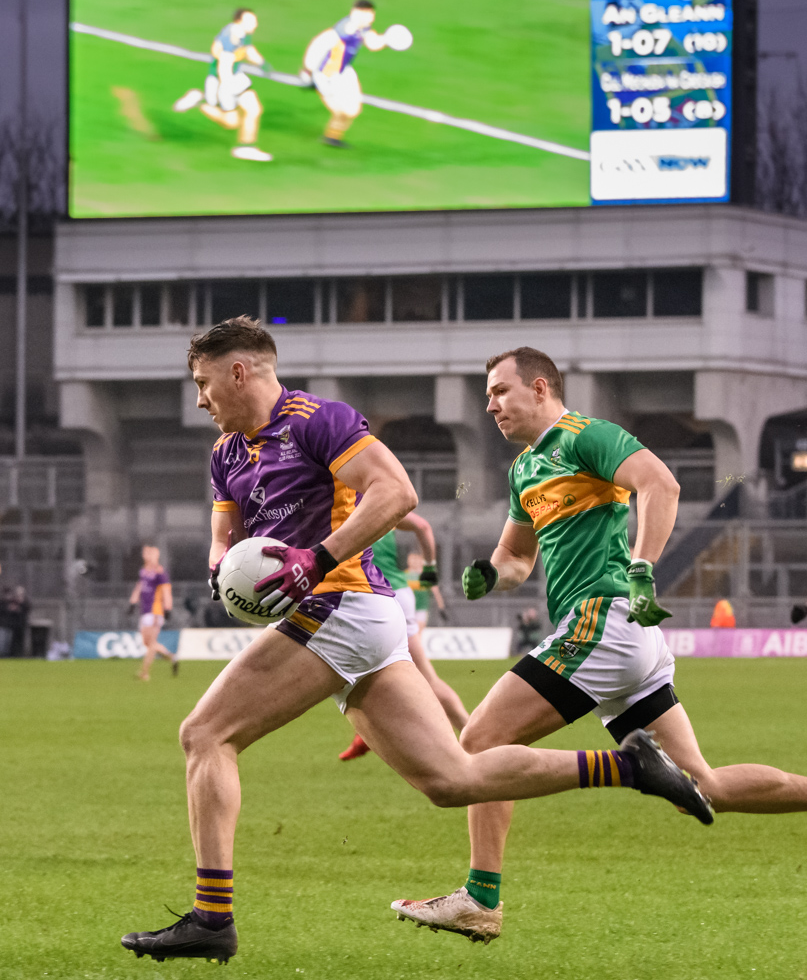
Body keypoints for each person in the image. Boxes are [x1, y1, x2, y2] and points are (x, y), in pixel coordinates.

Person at [121, 320, 712, 965]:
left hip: (339, 604)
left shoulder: (320, 420)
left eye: (204, 384)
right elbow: (224, 532)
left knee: (205, 733)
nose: (200, 400)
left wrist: (315, 560)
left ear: (241, 372)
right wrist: (221, 564)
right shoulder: (226, 454)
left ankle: (212, 918)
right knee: (452, 780)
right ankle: (630, 765)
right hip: (357, 618)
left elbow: (397, 492)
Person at [390, 347, 807, 945]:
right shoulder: (524, 470)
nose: (490, 405)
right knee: (701, 788)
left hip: (602, 621)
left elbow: (659, 483)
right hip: (622, 640)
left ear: (539, 388)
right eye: (487, 395)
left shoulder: (585, 436)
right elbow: (517, 558)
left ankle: (480, 901)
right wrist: (491, 574)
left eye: (500, 391)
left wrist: (643, 566)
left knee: (479, 744)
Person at [338, 518, 469, 760]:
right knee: (370, 674)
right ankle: (366, 735)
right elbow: (424, 527)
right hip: (393, 592)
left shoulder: (343, 500)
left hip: (376, 595)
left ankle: (472, 733)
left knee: (353, 675)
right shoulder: (382, 498)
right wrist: (430, 568)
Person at [173, 9, 273, 162]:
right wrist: (226, 92)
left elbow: (248, 49)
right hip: (222, 81)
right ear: (239, 21)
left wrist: (261, 63)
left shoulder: (242, 33)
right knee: (231, 123)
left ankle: (246, 147)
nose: (255, 24)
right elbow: (224, 68)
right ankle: (200, 101)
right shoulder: (230, 39)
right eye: (251, 21)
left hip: (236, 77)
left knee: (254, 108)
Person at [300, 0, 390, 148]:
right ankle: (332, 136)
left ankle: (332, 137)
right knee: (341, 111)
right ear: (356, 13)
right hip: (325, 76)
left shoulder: (363, 28)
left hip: (344, 72)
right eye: (367, 14)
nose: (371, 18)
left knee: (353, 111)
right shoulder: (340, 32)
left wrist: (388, 39)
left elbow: (373, 44)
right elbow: (317, 45)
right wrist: (307, 71)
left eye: (371, 14)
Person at [129, 545, 177, 681]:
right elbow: (139, 587)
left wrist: (167, 608)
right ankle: (171, 657)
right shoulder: (144, 571)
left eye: (149, 553)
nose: (146, 555)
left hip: (155, 611)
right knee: (147, 643)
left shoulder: (159, 572)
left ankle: (144, 673)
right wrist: (132, 603)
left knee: (151, 643)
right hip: (144, 611)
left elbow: (166, 591)